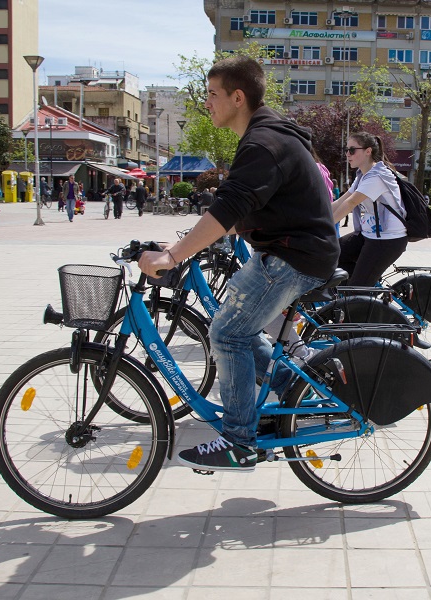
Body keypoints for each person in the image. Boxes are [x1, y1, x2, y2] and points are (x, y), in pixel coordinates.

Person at [138, 55, 339, 472]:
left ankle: (239, 440)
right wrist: (179, 244)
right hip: (293, 251)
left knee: (226, 334)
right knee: (239, 333)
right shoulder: (267, 136)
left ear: (237, 96)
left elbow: (230, 207)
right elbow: (243, 210)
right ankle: (295, 391)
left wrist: (173, 256)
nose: (206, 104)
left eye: (212, 95)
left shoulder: (264, 142)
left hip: (292, 257)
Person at [330, 131, 408, 286]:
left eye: (352, 150)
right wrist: (312, 219)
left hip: (387, 240)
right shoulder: (363, 176)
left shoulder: (377, 176)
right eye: (346, 150)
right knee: (331, 255)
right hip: (369, 235)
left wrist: (324, 227)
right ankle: (349, 297)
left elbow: (351, 204)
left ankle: (360, 299)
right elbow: (340, 202)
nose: (347, 154)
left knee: (357, 288)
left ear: (368, 151)